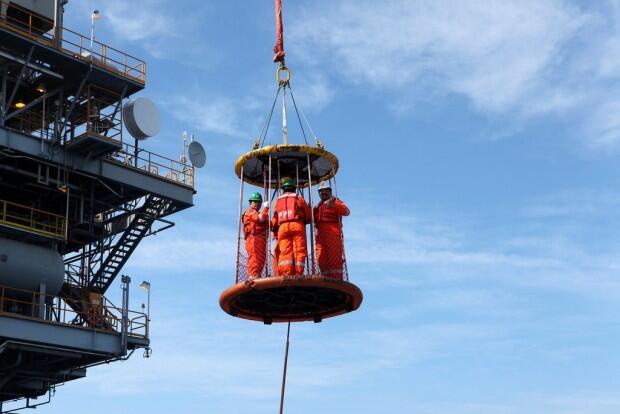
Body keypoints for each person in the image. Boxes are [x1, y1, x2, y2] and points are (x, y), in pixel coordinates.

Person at [272, 177, 311, 275]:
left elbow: (275, 218)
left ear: (283, 189)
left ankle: (286, 274)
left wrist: (274, 229)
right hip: (297, 225)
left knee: (285, 252)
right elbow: (309, 216)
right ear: (294, 188)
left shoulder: (278, 201)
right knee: (299, 250)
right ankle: (298, 273)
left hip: (282, 228)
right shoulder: (298, 198)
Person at [314, 181, 350, 278]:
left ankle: (336, 279)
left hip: (332, 233)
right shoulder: (317, 206)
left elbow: (347, 211)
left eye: (325, 191)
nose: (323, 193)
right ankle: (325, 278)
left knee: (334, 257)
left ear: (330, 191)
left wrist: (334, 205)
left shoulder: (335, 201)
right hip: (320, 236)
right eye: (321, 191)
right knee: (321, 258)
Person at [242, 192, 269, 278]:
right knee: (255, 258)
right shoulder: (250, 211)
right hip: (253, 239)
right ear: (250, 203)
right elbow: (259, 219)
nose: (258, 204)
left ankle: (257, 275)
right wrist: (266, 208)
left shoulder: (256, 212)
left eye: (259, 202)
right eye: (256, 201)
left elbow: (265, 222)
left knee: (260, 259)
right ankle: (253, 277)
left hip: (259, 239)